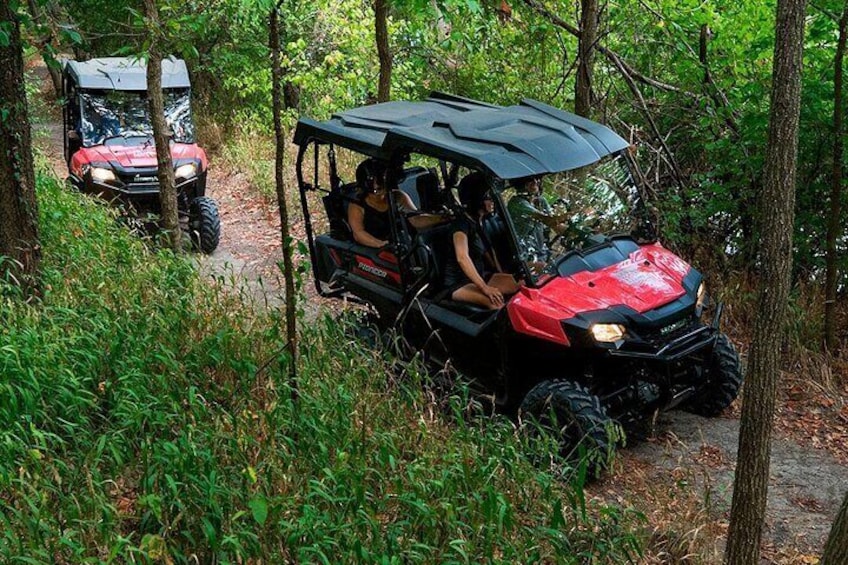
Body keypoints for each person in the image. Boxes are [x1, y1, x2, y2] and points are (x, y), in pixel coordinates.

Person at [444, 173, 519, 309]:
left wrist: (501, 273)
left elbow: (487, 251)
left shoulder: (480, 220)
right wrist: (484, 288)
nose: (492, 202)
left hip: (481, 276)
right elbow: (462, 258)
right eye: (487, 198)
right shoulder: (461, 225)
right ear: (476, 199)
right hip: (459, 282)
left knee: (522, 285)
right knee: (496, 304)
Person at [348, 159, 418, 248]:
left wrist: (439, 218)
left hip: (406, 246)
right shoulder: (357, 205)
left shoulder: (398, 196)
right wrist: (381, 244)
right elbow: (358, 234)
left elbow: (415, 219)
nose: (379, 191)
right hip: (378, 252)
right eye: (376, 189)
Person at [507, 175, 568, 268]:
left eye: (536, 179)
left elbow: (555, 225)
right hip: (523, 254)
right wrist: (566, 216)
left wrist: (573, 232)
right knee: (548, 270)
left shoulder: (540, 201)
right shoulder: (517, 203)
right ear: (522, 184)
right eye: (530, 180)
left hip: (541, 250)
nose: (535, 182)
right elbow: (546, 219)